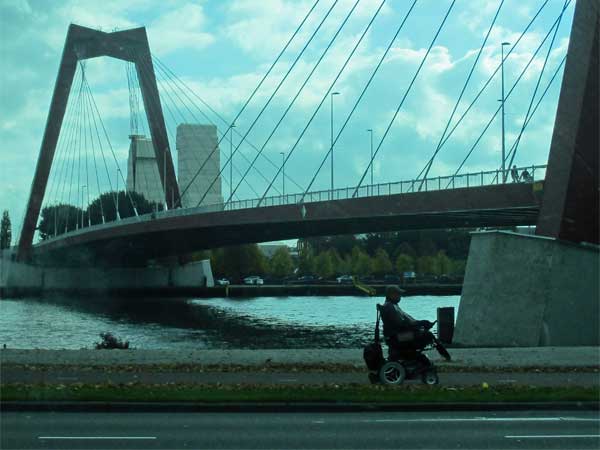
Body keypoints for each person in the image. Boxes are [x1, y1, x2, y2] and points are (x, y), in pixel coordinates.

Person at [380, 285, 451, 360]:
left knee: (425, 333)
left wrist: (421, 324)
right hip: (397, 337)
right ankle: (446, 357)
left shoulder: (393, 306)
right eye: (398, 294)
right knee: (428, 334)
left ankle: (445, 356)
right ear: (391, 294)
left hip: (396, 336)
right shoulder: (390, 307)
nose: (400, 296)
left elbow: (407, 322)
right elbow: (402, 324)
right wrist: (421, 324)